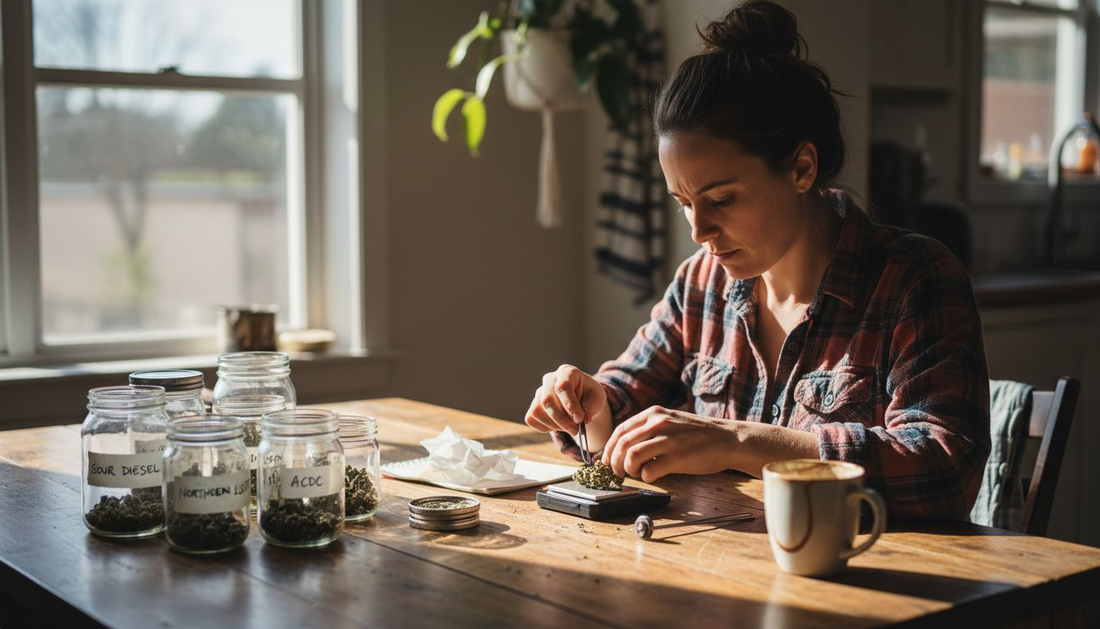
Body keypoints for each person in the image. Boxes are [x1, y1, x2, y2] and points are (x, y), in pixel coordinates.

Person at [524, 0, 990, 520]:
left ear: (801, 168)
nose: (699, 231)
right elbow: (624, 394)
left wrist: (739, 441)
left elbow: (946, 467)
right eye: (684, 204)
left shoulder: (914, 279)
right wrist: (591, 405)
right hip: (725, 577)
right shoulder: (701, 283)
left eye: (721, 200)